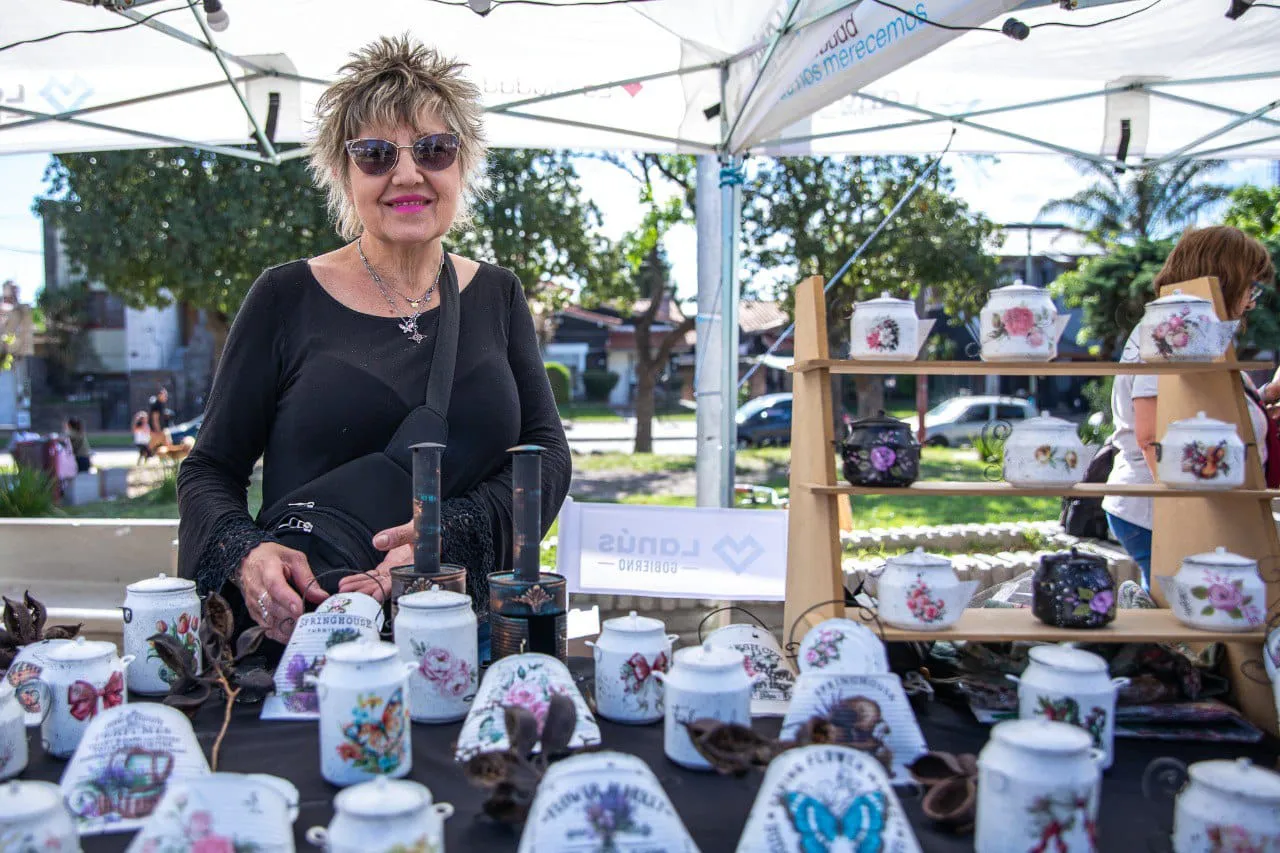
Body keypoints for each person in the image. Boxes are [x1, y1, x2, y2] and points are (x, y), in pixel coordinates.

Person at [176, 35, 571, 653]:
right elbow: (208, 471)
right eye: (376, 154)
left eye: (435, 150)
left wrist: (439, 541)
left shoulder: (499, 293)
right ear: (340, 171)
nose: (408, 173)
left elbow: (546, 455)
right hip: (310, 632)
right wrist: (248, 553)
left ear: (463, 165)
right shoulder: (285, 296)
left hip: (464, 634)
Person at [1103, 225, 1276, 588]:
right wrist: (1188, 521)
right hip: (1161, 512)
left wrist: (1264, 404)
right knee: (1184, 622)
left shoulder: (1198, 334)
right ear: (1227, 280)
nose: (1251, 301)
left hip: (1186, 507)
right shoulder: (1167, 332)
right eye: (1249, 287)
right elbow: (1152, 438)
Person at [148, 387, 174, 451]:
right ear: (159, 395)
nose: (166, 397)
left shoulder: (161, 404)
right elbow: (155, 419)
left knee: (167, 444)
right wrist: (158, 431)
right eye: (165, 395)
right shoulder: (156, 405)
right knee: (152, 447)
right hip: (156, 431)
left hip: (161, 429)